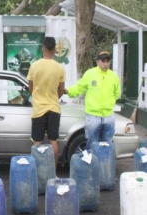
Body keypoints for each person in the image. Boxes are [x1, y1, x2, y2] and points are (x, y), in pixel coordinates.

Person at [64, 50, 121, 151]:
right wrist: (68, 91)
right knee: (91, 145)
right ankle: (92, 165)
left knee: (107, 145)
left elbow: (117, 94)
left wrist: (109, 103)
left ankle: (104, 166)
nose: (105, 64)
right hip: (93, 116)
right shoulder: (90, 74)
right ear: (97, 61)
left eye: (107, 61)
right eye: (103, 61)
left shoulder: (114, 77)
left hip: (108, 116)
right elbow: (79, 87)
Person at [27, 37, 66, 167]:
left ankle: (36, 172)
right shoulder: (59, 68)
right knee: (53, 142)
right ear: (55, 50)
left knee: (37, 142)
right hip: (54, 109)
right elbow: (61, 91)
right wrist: (53, 97)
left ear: (42, 48)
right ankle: (53, 172)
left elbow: (30, 89)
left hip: (38, 110)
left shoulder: (34, 66)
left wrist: (38, 97)